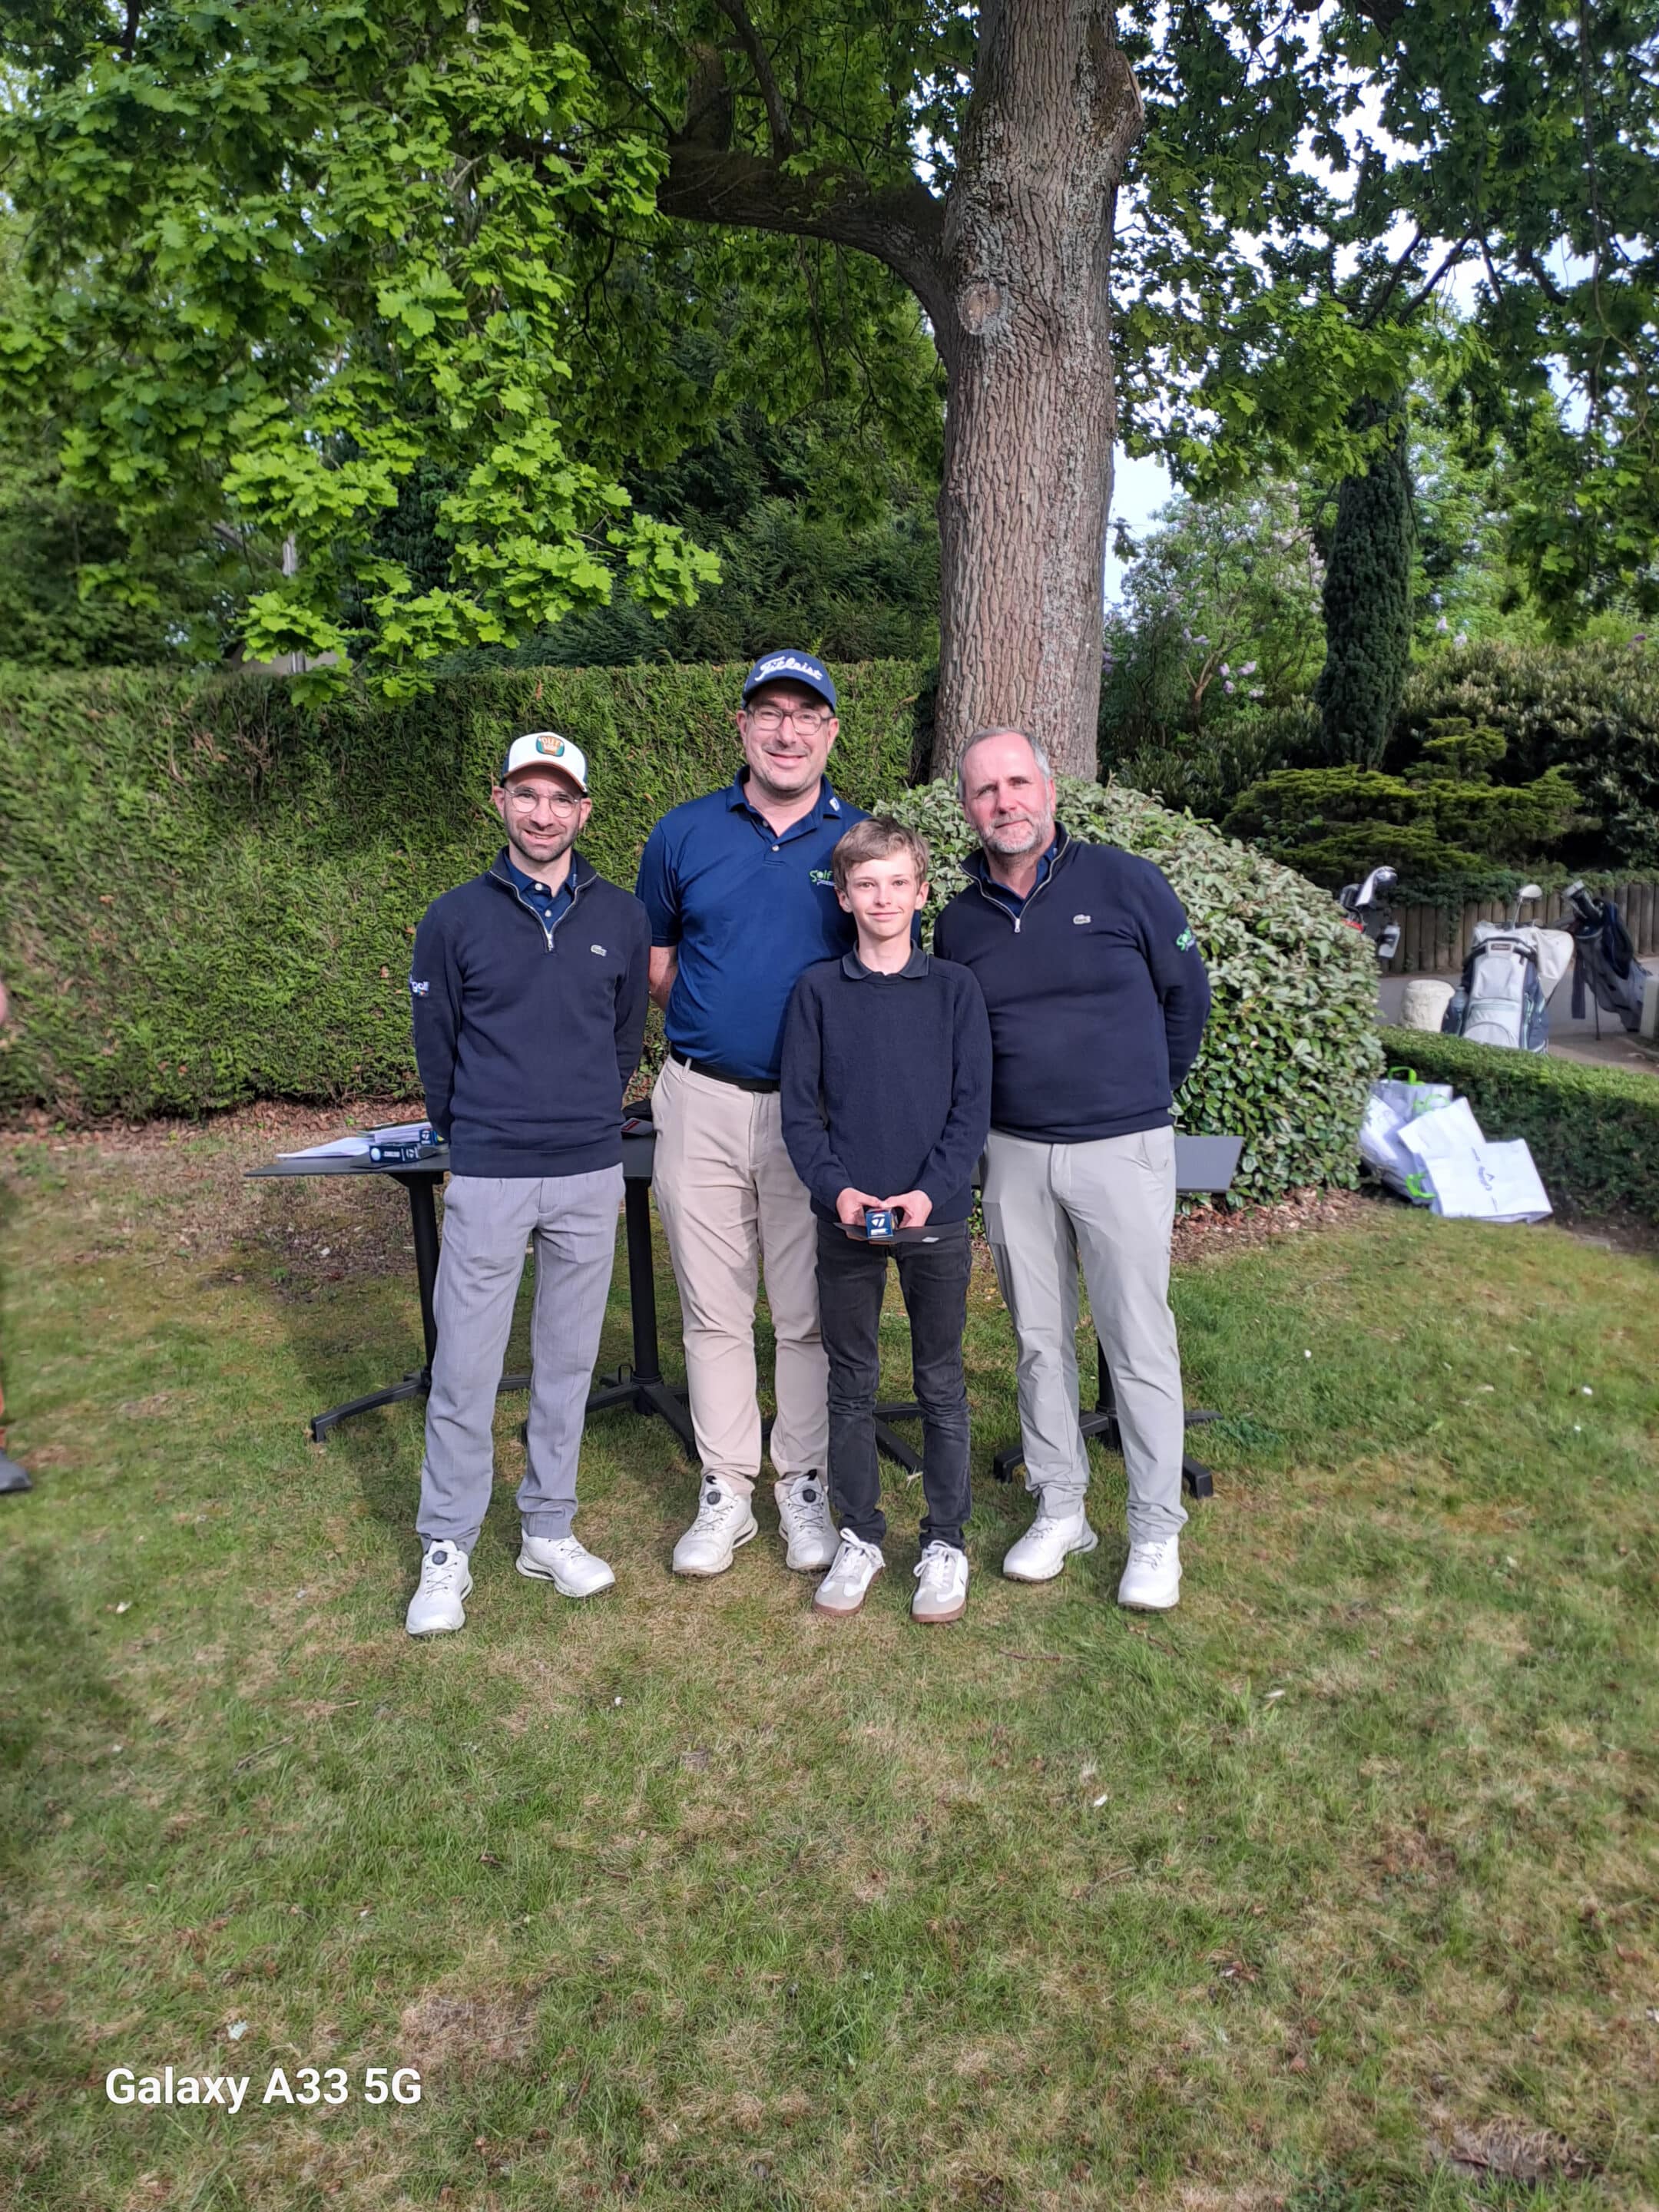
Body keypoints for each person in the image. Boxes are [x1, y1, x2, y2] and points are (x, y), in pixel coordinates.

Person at [933, 728, 1211, 1611]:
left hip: (1120, 1147)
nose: (1005, 802)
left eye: (1018, 783)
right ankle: (1062, 1509)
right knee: (1038, 1341)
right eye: (986, 790)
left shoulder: (1126, 881)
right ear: (967, 807)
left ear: (1050, 791)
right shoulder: (959, 921)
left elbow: (1187, 998)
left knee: (1137, 1338)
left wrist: (1139, 1096)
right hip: (1013, 1153)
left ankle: (1156, 1529)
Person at [403, 732, 649, 1636]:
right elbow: (438, 1049)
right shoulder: (453, 918)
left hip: (587, 1169)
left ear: (584, 811)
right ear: (499, 802)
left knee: (568, 1363)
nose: (543, 814)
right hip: (492, 1172)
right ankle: (448, 1545)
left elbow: (624, 1038)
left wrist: (583, 1114)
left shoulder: (622, 916)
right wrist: (474, 1132)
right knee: (466, 1368)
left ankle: (547, 1526)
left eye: (560, 799)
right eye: (527, 795)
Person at [637, 651, 867, 1578]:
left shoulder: (858, 841)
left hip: (815, 1115)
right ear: (741, 726)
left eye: (806, 715)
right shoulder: (683, 832)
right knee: (714, 1308)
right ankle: (727, 1487)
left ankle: (802, 1484)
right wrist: (718, 1026)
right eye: (769, 712)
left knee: (806, 1313)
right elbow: (658, 962)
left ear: (831, 732)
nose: (787, 731)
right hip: (702, 1100)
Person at [780, 819, 991, 1623]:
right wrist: (837, 1191)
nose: (882, 898)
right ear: (843, 896)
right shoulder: (817, 992)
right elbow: (801, 1113)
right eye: (866, 884)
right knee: (851, 1382)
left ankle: (946, 1540)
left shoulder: (955, 990)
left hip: (933, 1220)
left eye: (898, 883)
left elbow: (971, 1109)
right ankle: (859, 1534)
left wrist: (929, 1192)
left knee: (940, 1380)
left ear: (921, 893)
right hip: (848, 1222)